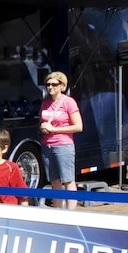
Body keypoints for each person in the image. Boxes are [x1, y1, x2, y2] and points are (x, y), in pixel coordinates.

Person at [39, 71, 83, 210]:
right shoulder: (45, 103)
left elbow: (78, 126)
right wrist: (43, 128)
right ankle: (57, 212)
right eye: (47, 84)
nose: (50, 87)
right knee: (54, 182)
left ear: (62, 86)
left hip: (63, 145)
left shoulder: (68, 102)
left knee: (68, 181)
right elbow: (43, 121)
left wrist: (54, 129)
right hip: (47, 145)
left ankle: (71, 214)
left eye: (54, 84)